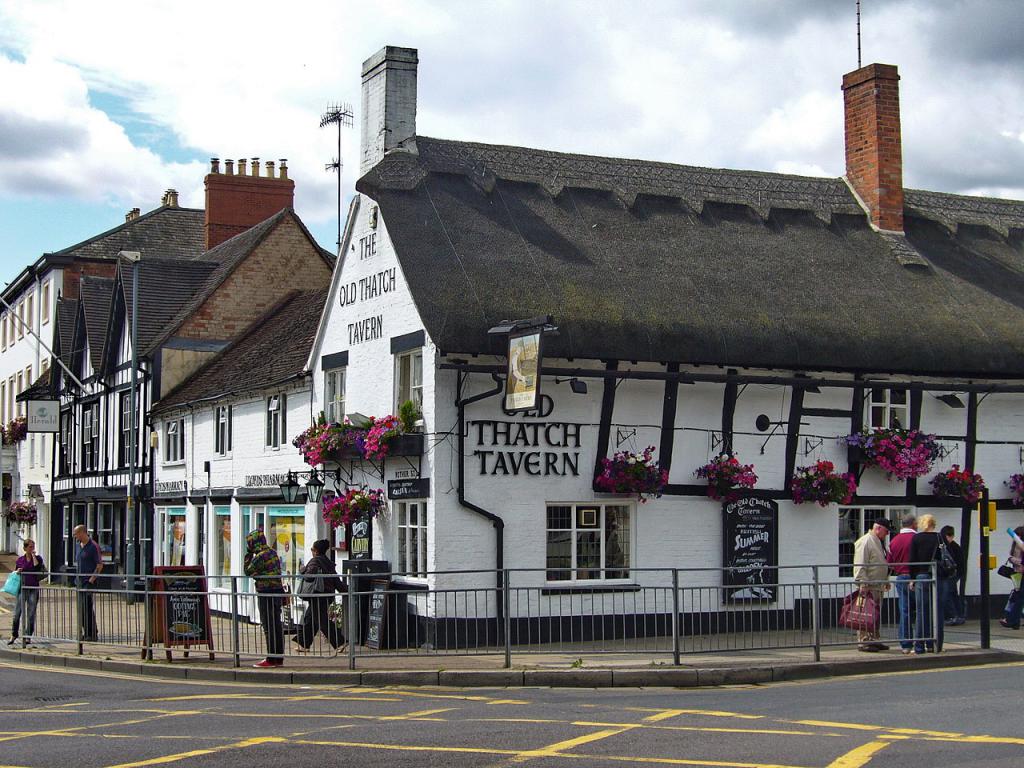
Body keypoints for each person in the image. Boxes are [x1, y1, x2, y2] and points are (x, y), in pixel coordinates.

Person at [293, 539, 345, 654]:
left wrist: (302, 570)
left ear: (316, 550)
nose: (311, 551)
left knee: (322, 621)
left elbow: (309, 577)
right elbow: (335, 578)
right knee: (309, 619)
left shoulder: (315, 561)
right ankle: (304, 644)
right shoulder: (327, 561)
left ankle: (340, 642)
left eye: (312, 549)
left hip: (318, 594)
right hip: (327, 594)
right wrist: (344, 589)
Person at [244, 529, 286, 667]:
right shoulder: (272, 552)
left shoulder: (259, 556)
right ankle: (278, 658)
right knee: (276, 624)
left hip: (266, 592)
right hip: (277, 591)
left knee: (268, 626)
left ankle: (271, 658)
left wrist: (248, 556)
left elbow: (247, 571)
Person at [852, 518, 893, 652]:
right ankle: (864, 641)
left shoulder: (877, 541)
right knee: (865, 614)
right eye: (886, 531)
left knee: (875, 614)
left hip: (877, 585)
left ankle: (875, 639)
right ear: (878, 528)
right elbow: (860, 564)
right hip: (868, 585)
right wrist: (862, 582)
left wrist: (885, 580)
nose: (887, 534)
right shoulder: (865, 541)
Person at [909, 514, 945, 653]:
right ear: (933, 524)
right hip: (937, 577)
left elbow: (912, 560)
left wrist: (912, 579)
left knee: (921, 612)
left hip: (921, 576)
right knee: (936, 611)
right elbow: (943, 556)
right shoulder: (939, 537)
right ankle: (934, 644)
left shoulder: (916, 538)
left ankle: (919, 646)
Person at [886, 513, 917, 654]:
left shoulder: (894, 541)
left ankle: (905, 644)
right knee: (921, 610)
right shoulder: (916, 538)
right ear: (914, 524)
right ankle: (923, 641)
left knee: (904, 610)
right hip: (916, 578)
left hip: (900, 578)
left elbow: (889, 563)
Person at [8, 539, 44, 647]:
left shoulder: (38, 558)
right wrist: (17, 571)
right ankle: (14, 634)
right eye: (30, 547)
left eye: (33, 547)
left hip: (33, 588)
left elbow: (37, 567)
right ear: (25, 548)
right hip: (22, 589)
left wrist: (33, 556)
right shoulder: (20, 560)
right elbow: (15, 572)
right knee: (16, 614)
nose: (32, 549)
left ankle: (28, 636)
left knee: (31, 613)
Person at [73, 525, 102, 642]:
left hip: (88, 582)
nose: (75, 536)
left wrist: (91, 580)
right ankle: (86, 632)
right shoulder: (78, 546)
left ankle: (92, 633)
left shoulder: (93, 546)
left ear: (82, 533)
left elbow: (99, 566)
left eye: (76, 533)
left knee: (87, 607)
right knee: (81, 608)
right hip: (79, 581)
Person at [998, 525, 1024, 630]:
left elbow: (1020, 560)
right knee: (1018, 596)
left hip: (1021, 572)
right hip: (1017, 573)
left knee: (1019, 597)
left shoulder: (1020, 545)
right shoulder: (1017, 545)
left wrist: (1012, 559)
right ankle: (1014, 621)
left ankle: (1012, 620)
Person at [940, 525, 966, 626]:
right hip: (954, 574)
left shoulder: (953, 547)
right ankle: (959, 615)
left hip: (953, 574)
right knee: (953, 594)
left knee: (948, 593)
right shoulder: (953, 546)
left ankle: (952, 615)